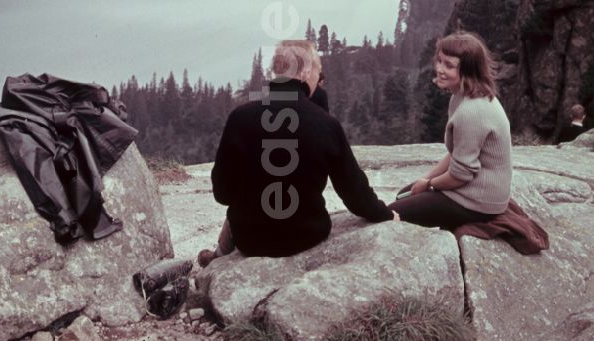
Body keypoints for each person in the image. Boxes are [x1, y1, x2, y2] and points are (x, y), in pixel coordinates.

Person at [202, 39, 394, 260]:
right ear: (304, 72)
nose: (318, 81)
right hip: (306, 236)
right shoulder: (326, 124)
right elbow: (355, 194)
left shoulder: (239, 117)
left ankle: (218, 253)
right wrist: (386, 215)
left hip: (250, 240)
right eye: (317, 72)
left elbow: (223, 194)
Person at [391, 31, 512, 230]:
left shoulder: (472, 111)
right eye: (439, 61)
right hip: (475, 189)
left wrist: (430, 186)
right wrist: (425, 179)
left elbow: (460, 175)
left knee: (393, 215)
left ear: (468, 71)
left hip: (479, 202)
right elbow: (457, 155)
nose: (439, 69)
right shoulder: (461, 96)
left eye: (449, 65)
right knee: (405, 193)